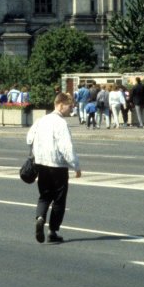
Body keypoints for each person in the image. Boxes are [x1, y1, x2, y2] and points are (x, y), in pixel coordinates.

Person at [27, 91, 81, 244]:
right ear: (60, 105)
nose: (71, 110)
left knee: (44, 196)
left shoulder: (41, 120)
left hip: (41, 164)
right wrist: (76, 165)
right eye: (69, 107)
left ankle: (40, 218)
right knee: (59, 199)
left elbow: (29, 138)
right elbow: (66, 147)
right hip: (58, 166)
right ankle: (53, 231)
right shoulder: (61, 123)